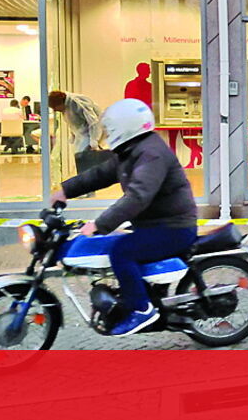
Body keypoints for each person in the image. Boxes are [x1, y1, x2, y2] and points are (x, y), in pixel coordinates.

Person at [51, 98, 198, 336]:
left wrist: (99, 224)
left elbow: (138, 197)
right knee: (119, 244)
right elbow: (101, 174)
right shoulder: (132, 150)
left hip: (173, 227)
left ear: (124, 127)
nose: (107, 134)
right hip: (153, 224)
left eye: (110, 129)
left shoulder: (151, 154)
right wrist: (65, 190)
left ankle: (141, 310)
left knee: (121, 251)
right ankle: (145, 295)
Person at [48, 90, 107, 173]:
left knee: (83, 157)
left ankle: (87, 177)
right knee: (80, 157)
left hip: (93, 130)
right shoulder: (66, 107)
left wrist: (94, 140)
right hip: (83, 133)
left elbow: (93, 122)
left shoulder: (77, 102)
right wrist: (73, 135)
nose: (54, 110)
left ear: (60, 103)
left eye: (55, 107)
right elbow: (74, 122)